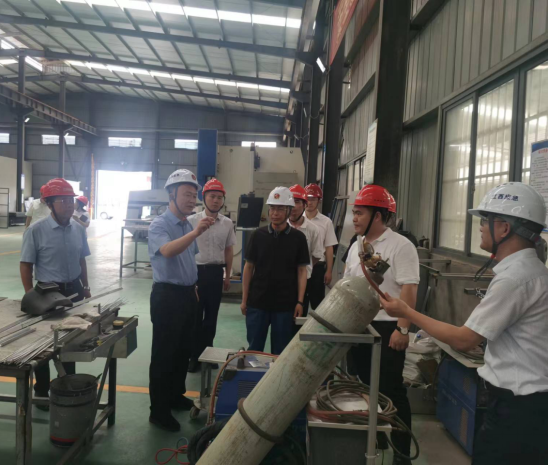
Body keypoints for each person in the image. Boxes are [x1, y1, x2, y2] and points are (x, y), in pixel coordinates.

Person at [380, 182, 548, 465]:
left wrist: (406, 311)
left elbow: (464, 339)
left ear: (504, 228)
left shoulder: (514, 279)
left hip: (518, 410)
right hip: (528, 405)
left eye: (486, 220)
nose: (480, 227)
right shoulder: (530, 271)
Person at [344, 185, 418, 465]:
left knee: (391, 389)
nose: (354, 218)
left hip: (388, 328)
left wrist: (402, 328)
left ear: (378, 215)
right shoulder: (356, 246)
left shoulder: (401, 246)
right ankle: (375, 437)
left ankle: (402, 453)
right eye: (354, 212)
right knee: (364, 386)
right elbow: (348, 284)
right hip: (359, 325)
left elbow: (409, 288)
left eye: (360, 213)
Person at [147, 169, 215, 432]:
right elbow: (167, 251)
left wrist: (193, 286)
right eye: (187, 194)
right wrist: (196, 232)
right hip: (167, 297)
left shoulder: (186, 224)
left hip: (188, 295)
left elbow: (188, 258)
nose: (192, 199)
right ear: (171, 194)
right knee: (164, 354)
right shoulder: (160, 225)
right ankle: (158, 411)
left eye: (194, 194)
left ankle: (175, 396)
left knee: (183, 351)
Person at [20, 178, 92, 410]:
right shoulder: (36, 231)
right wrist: (30, 295)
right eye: (63, 200)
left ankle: (65, 386)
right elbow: (26, 264)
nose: (69, 204)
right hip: (48, 292)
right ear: (50, 203)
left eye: (71, 200)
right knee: (44, 345)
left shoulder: (78, 229)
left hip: (74, 290)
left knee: (70, 342)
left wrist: (86, 286)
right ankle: (41, 390)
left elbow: (82, 259)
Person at [241, 186, 309, 355]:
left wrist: (300, 302)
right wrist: (244, 299)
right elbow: (248, 268)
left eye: (280, 209)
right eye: (272, 208)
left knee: (280, 352)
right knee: (254, 349)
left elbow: (302, 271)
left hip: (285, 305)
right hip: (258, 303)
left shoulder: (298, 238)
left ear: (289, 211)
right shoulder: (258, 235)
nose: (275, 213)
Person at [187, 179, 236, 373]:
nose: (216, 200)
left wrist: (227, 275)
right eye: (212, 196)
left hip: (216, 273)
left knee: (211, 316)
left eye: (219, 197)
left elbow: (229, 250)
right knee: (195, 316)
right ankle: (194, 356)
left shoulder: (227, 223)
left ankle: (208, 354)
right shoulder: (192, 221)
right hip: (196, 274)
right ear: (204, 198)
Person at [288, 184, 324, 316]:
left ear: (304, 205)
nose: (294, 206)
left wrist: (303, 269)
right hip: (283, 280)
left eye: (297, 202)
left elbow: (316, 255)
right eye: (291, 202)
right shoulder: (280, 227)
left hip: (304, 281)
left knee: (299, 316)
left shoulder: (313, 229)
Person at [304, 183, 338, 309]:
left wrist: (329, 270)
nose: (309, 202)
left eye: (313, 199)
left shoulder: (326, 222)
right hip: (300, 268)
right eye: (307, 199)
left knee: (318, 305)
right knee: (300, 303)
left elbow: (329, 247)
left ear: (319, 201)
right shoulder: (297, 220)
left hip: (317, 268)